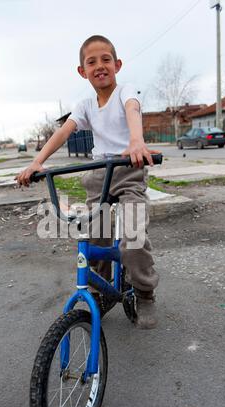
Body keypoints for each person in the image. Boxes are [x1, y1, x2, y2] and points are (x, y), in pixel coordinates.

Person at [16, 35, 159, 329]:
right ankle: (102, 289)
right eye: (91, 62)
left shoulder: (125, 92)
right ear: (82, 71)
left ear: (117, 65)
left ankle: (145, 293)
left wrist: (136, 141)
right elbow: (63, 132)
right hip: (99, 177)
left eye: (106, 59)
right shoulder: (84, 105)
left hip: (128, 170)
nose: (100, 66)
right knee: (95, 238)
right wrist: (37, 161)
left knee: (133, 238)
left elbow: (133, 110)